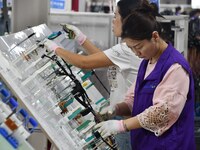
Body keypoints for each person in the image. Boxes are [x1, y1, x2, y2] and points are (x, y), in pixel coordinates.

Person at [44, 0, 149, 149]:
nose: (113, 21)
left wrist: (56, 49)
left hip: (126, 122)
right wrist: (80, 38)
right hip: (122, 117)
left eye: (115, 16)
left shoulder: (127, 49)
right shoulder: (128, 48)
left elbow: (85, 63)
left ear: (127, 21)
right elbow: (103, 58)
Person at [94, 4, 196, 150]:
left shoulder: (175, 67)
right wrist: (115, 110)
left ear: (155, 36)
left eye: (139, 46)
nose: (136, 53)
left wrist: (122, 125)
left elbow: (163, 112)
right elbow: (134, 100)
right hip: (145, 144)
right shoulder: (146, 63)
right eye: (131, 48)